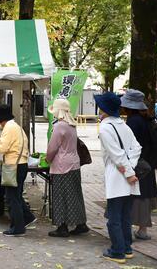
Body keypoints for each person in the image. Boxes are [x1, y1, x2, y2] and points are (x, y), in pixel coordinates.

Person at [94, 92, 141, 264]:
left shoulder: (106, 128)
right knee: (125, 217)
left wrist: (128, 173)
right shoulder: (124, 126)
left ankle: (117, 251)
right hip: (129, 177)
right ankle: (127, 248)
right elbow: (136, 148)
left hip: (118, 176)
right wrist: (132, 168)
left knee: (114, 218)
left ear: (104, 109)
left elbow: (117, 155)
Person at [46, 99, 89, 237]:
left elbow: (53, 147)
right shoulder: (72, 125)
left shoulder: (59, 126)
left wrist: (47, 159)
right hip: (74, 163)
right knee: (74, 195)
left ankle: (62, 227)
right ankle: (80, 223)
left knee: (60, 196)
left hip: (61, 165)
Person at [121, 89, 157, 240]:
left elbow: (130, 144)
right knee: (144, 198)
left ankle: (128, 230)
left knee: (135, 197)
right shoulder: (145, 119)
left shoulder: (133, 121)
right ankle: (142, 230)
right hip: (146, 164)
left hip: (137, 164)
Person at [0, 104, 36, 237]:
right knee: (16, 195)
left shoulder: (9, 128)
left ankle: (18, 228)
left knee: (12, 198)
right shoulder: (16, 126)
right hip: (21, 164)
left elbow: (2, 148)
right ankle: (28, 217)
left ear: (1, 119)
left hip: (13, 166)